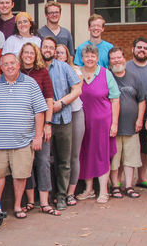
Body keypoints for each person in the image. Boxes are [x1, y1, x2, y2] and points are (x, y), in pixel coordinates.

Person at [0, 53, 48, 219]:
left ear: (18, 64)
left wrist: (38, 136)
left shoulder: (31, 83)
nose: (9, 67)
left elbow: (39, 112)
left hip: (23, 140)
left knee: (21, 174)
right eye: (5, 64)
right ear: (1, 67)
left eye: (12, 63)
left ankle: (18, 205)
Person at [41, 36, 82, 210]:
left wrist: (62, 103)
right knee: (44, 160)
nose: (48, 50)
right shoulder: (36, 68)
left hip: (64, 118)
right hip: (43, 121)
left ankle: (62, 195)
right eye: (45, 47)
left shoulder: (64, 67)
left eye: (52, 48)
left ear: (55, 50)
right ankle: (45, 195)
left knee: (64, 160)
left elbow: (77, 89)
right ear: (41, 49)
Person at [76, 44, 120, 204]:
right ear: (82, 57)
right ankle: (88, 189)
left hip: (103, 122)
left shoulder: (105, 73)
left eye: (93, 56)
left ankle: (104, 191)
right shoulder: (77, 72)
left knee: (102, 155)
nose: (89, 59)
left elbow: (115, 99)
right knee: (85, 154)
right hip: (82, 122)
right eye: (86, 56)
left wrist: (114, 124)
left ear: (97, 57)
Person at [18, 42, 57, 215]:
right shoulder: (16, 73)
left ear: (36, 55)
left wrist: (48, 124)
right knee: (26, 163)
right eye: (25, 52)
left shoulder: (42, 73)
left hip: (41, 124)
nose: (28, 55)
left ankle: (44, 202)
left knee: (43, 162)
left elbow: (49, 99)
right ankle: (30, 201)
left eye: (31, 53)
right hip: (23, 126)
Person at [109, 47, 145, 199]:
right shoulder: (107, 76)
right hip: (113, 127)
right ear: (109, 61)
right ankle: (116, 186)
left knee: (130, 159)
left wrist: (140, 119)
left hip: (131, 126)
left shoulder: (134, 77)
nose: (117, 60)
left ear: (124, 58)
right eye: (113, 58)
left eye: (119, 57)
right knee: (115, 159)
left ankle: (129, 186)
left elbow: (142, 99)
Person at [125, 38, 147, 190]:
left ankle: (142, 177)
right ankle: (120, 179)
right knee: (126, 146)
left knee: (146, 146)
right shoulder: (125, 67)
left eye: (145, 48)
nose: (142, 50)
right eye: (139, 47)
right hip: (130, 112)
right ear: (133, 49)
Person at [55, 44, 84, 204]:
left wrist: (60, 102)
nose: (59, 55)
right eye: (56, 52)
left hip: (74, 113)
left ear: (67, 55)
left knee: (73, 155)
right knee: (60, 156)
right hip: (58, 116)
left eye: (62, 52)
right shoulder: (50, 69)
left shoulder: (75, 70)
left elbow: (77, 89)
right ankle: (59, 191)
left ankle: (70, 192)